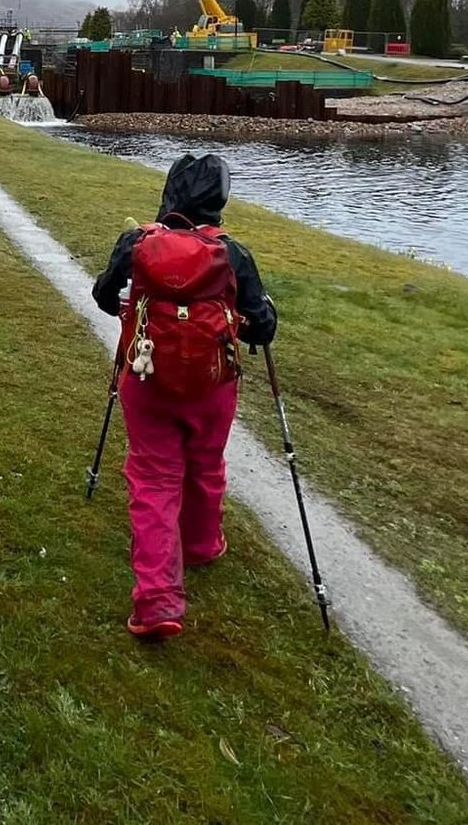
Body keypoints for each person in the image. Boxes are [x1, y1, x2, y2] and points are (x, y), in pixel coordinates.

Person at [91, 153, 276, 639]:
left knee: (154, 477)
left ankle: (157, 602)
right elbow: (263, 326)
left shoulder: (137, 243)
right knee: (206, 462)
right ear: (219, 200)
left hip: (147, 375)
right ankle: (200, 544)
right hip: (214, 384)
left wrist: (129, 308)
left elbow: (103, 296)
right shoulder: (232, 253)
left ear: (170, 192)